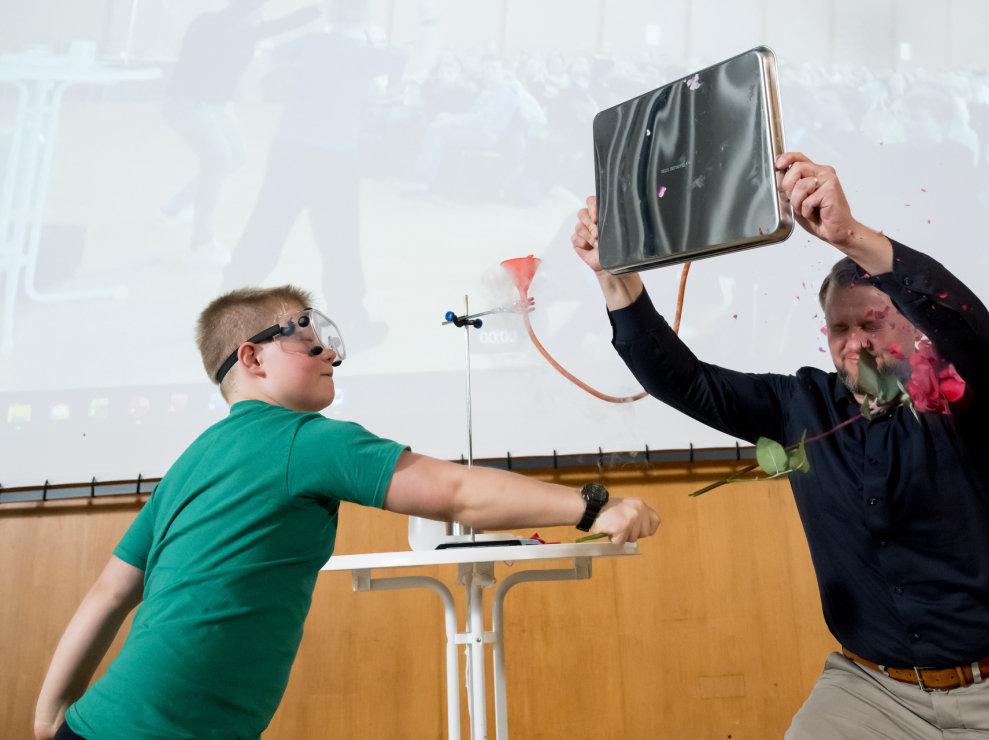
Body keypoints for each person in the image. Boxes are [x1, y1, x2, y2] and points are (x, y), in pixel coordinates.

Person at [570, 152, 989, 739]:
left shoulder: (965, 398)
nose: (854, 344)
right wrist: (613, 278)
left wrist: (849, 236)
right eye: (840, 329)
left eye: (871, 324)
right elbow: (684, 381)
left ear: (913, 325)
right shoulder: (801, 406)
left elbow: (974, 330)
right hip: (869, 694)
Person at [33, 285, 659, 740]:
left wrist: (48, 716)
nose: (330, 356)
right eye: (308, 342)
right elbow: (457, 493)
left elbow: (109, 592)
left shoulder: (191, 462)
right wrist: (589, 508)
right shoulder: (304, 441)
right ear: (251, 359)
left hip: (93, 725)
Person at [220, 0, 401, 349]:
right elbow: (414, 64)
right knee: (340, 242)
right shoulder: (367, 52)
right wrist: (430, 19)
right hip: (335, 158)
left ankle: (229, 310)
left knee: (266, 230)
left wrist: (252, 93)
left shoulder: (310, 43)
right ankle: (351, 320)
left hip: (292, 150)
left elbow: (257, 64)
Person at [162, 0, 322, 267]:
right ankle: (201, 244)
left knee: (236, 159)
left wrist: (324, 7)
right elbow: (235, 13)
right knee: (219, 159)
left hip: (218, 106)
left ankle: (173, 210)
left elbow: (287, 23)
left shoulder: (248, 31)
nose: (262, 14)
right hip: (187, 103)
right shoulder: (211, 22)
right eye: (258, 9)